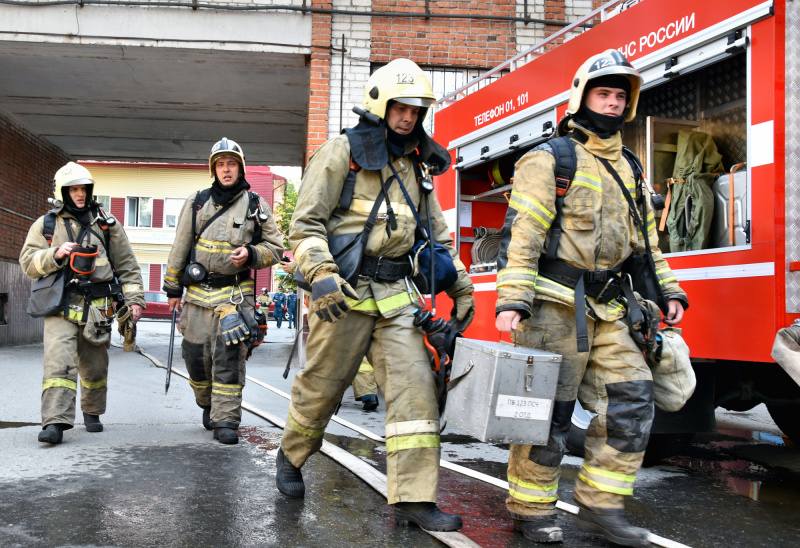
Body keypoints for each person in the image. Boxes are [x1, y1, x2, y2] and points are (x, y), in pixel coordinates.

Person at [494, 50, 689, 547]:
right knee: (547, 418)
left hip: (612, 307)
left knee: (632, 400)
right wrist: (512, 300)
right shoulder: (548, 159)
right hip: (553, 306)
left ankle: (600, 505)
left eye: (620, 96)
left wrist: (668, 290)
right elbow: (524, 236)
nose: (612, 103)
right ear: (582, 97)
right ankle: (531, 508)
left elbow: (649, 243)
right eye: (604, 93)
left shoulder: (630, 166)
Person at [275, 58, 475, 532]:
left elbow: (437, 237)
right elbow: (303, 226)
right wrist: (320, 273)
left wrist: (461, 285)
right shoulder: (340, 152)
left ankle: (413, 498)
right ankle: (291, 455)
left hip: (395, 296)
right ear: (380, 104)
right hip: (342, 294)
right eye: (401, 107)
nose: (408, 117)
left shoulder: (418, 166)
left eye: (416, 109)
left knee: (414, 394)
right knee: (322, 388)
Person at [163, 137, 283, 445]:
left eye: (231, 164)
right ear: (213, 169)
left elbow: (276, 249)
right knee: (195, 358)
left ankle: (226, 419)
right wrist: (173, 289)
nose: (226, 170)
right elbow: (180, 247)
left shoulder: (256, 205)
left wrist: (252, 255)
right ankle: (207, 403)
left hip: (234, 297)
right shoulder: (197, 202)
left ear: (240, 168)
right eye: (220, 164)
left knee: (229, 359)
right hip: (197, 296)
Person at [20, 162, 146, 444]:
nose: (79, 194)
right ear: (63, 192)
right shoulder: (47, 225)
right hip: (61, 305)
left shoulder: (107, 224)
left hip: (98, 307)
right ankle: (55, 422)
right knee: (58, 364)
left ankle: (92, 412)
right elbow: (27, 262)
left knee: (95, 367)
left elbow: (127, 266)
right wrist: (55, 254)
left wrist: (135, 299)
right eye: (73, 189)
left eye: (84, 189)